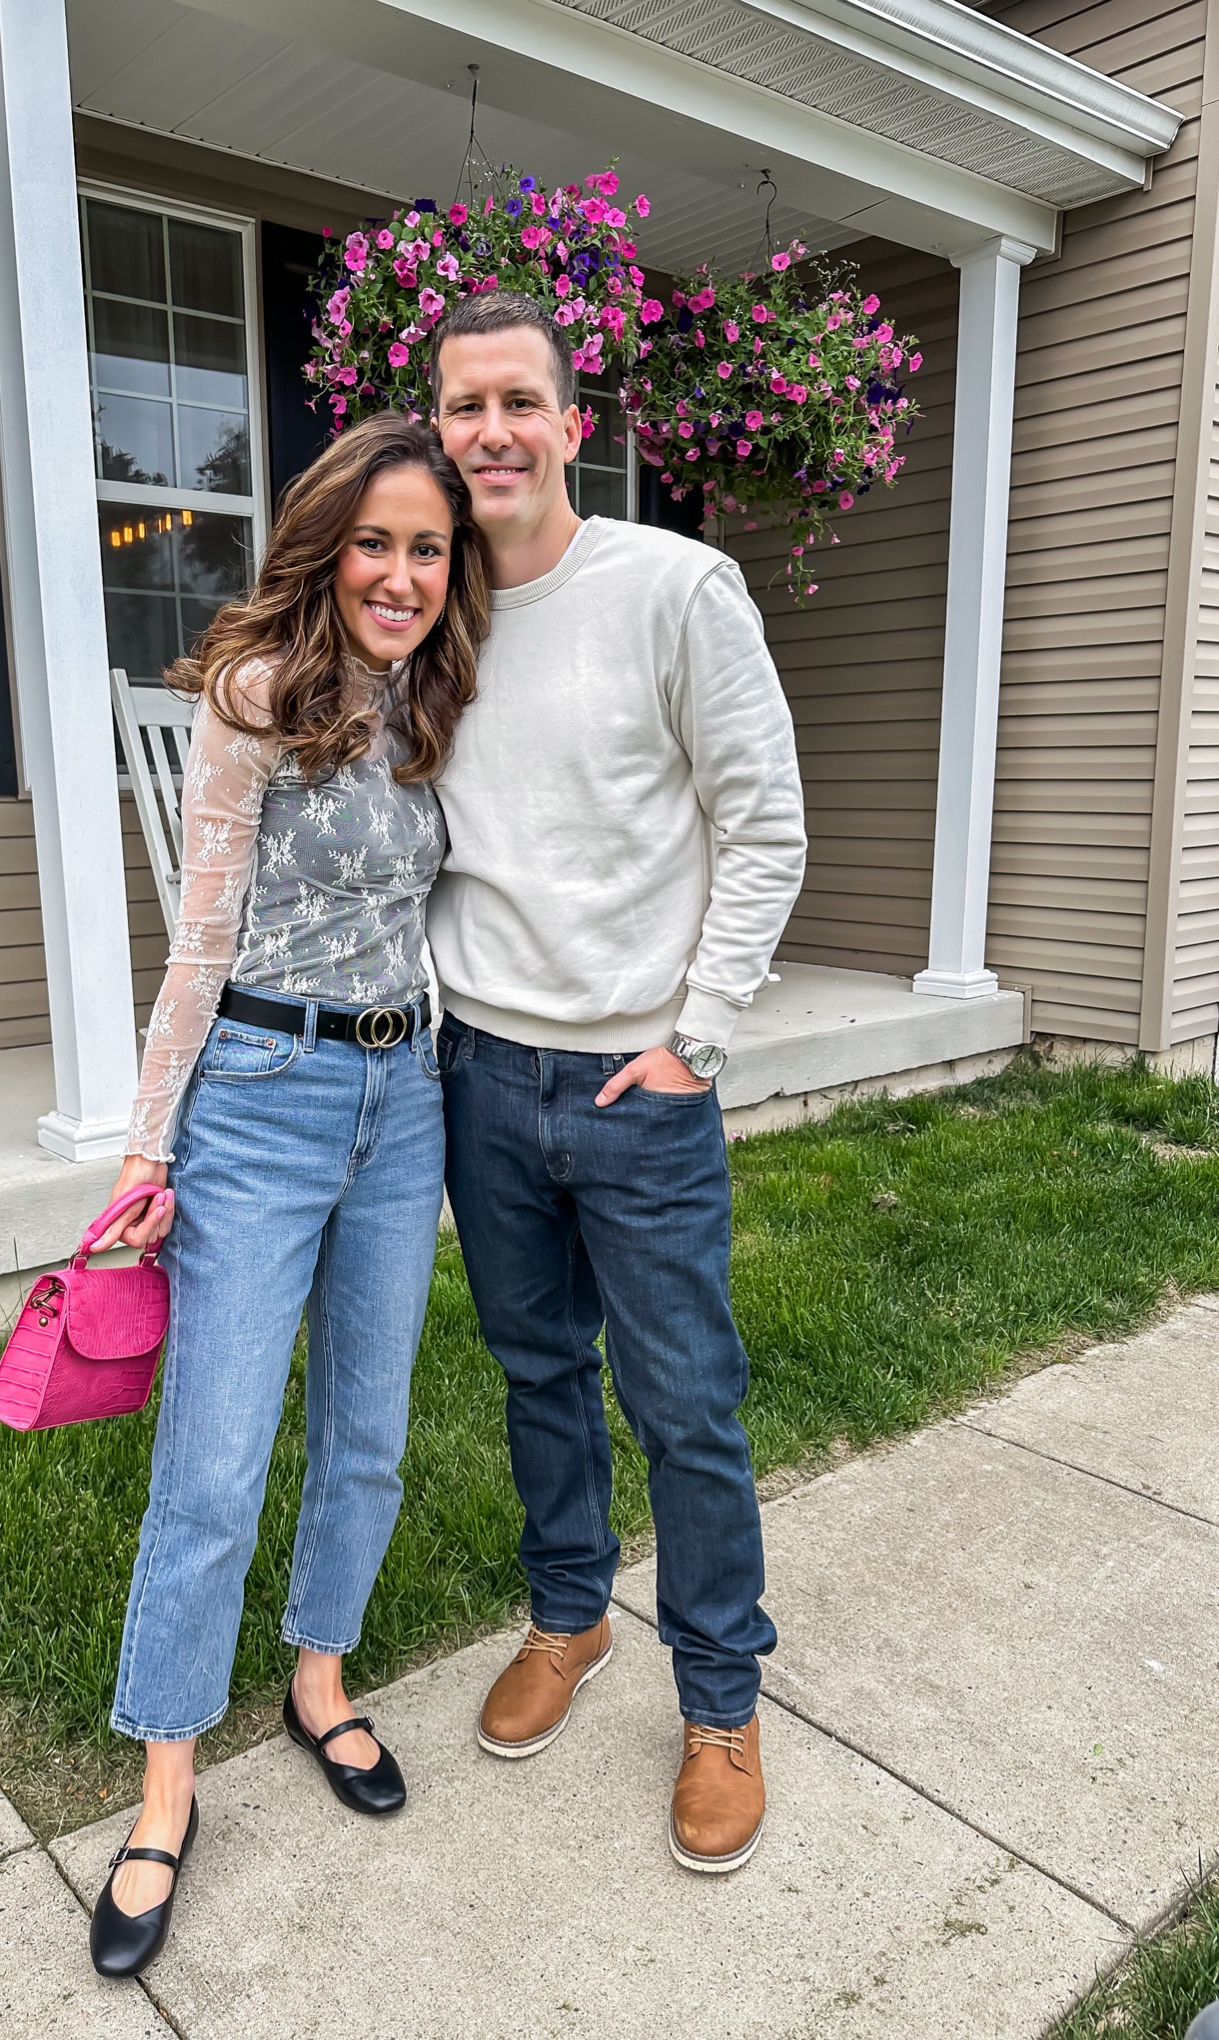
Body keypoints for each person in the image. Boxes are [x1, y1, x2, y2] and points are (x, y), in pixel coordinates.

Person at [84, 413, 489, 1978]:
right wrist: (145, 1144)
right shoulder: (255, 698)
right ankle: (165, 1781)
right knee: (217, 1450)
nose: (399, 573)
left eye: (427, 548)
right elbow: (199, 933)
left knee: (368, 1424)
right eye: (376, 542)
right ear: (329, 546)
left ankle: (317, 1676)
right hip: (261, 1093)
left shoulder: (444, 702)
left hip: (408, 1099)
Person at [427, 291, 807, 1873]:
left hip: (633, 1086)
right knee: (535, 1373)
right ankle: (569, 1614)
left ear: (574, 421)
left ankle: (720, 1698)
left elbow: (763, 819)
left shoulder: (673, 585)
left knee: (687, 1405)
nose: (491, 432)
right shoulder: (424, 604)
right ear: (436, 429)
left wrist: (693, 1038)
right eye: (463, 407)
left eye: (519, 400)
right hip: (478, 1071)